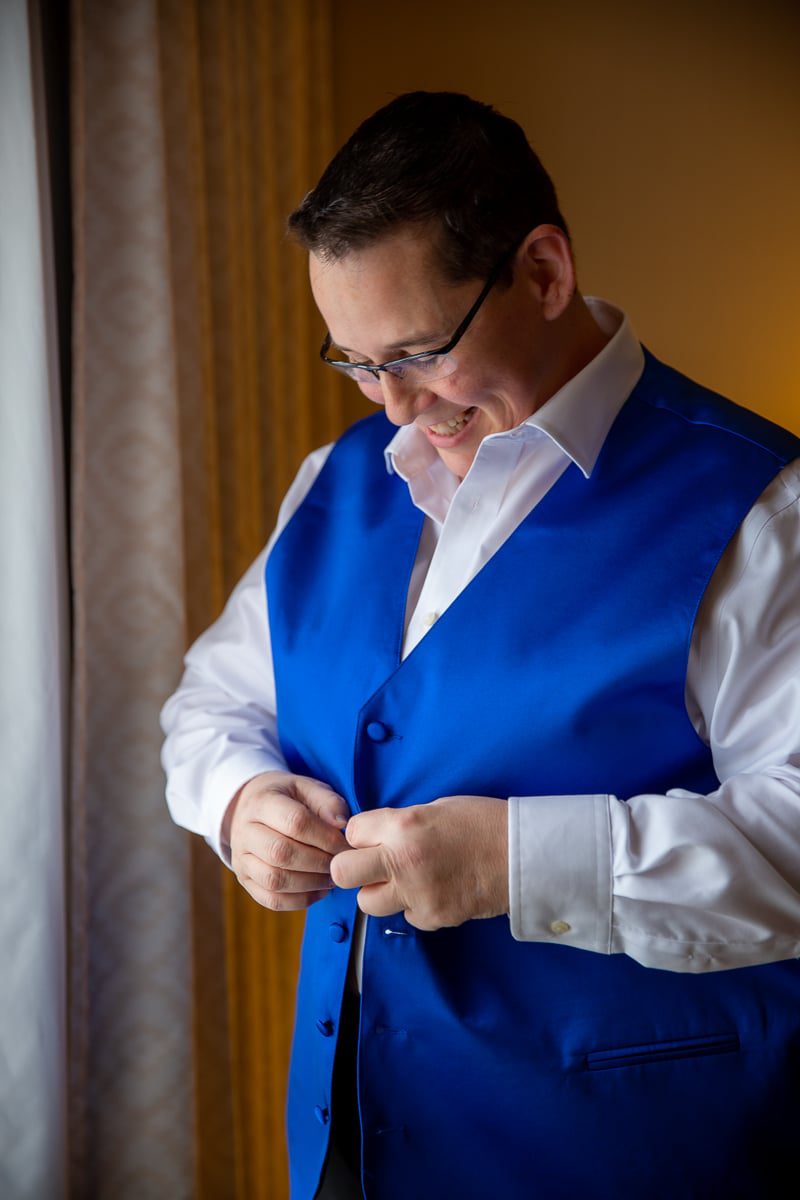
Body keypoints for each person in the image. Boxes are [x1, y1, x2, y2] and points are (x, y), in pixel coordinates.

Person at [160, 91, 800, 1200]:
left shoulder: (763, 513)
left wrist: (514, 863)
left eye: (417, 352)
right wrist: (237, 803)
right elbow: (211, 703)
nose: (392, 406)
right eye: (356, 362)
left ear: (543, 273)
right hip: (353, 1148)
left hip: (632, 1156)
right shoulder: (334, 480)